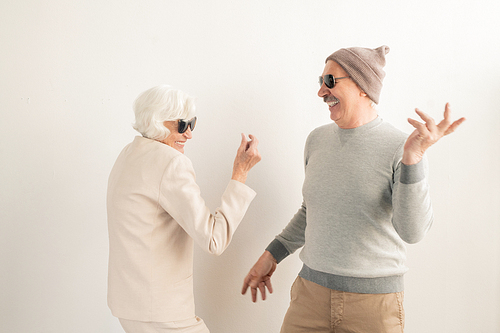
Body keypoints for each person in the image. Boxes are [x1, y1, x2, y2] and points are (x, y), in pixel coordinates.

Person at [242, 46, 465, 333]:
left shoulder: (401, 147)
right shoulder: (316, 141)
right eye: (320, 81)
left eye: (330, 81)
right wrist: (271, 255)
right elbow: (311, 212)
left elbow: (413, 232)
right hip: (309, 297)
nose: (321, 92)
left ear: (362, 86)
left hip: (373, 308)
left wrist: (413, 159)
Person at [107, 84, 261, 333]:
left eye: (192, 123)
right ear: (156, 121)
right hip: (160, 311)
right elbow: (214, 239)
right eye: (181, 125)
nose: (189, 134)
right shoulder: (171, 163)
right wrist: (240, 174)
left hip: (128, 306)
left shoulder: (128, 153)